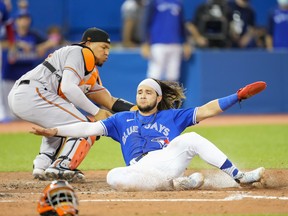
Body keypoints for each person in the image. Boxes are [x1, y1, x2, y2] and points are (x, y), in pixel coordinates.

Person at [31, 78, 267, 191]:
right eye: (139, 92)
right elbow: (87, 128)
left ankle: (239, 176)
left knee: (191, 139)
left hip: (166, 159)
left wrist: (237, 97)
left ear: (158, 98)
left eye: (148, 92)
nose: (142, 95)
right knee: (113, 177)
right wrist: (56, 131)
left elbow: (207, 109)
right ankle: (177, 184)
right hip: (139, 170)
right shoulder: (121, 120)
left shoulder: (172, 116)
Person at [8, 27, 136, 182]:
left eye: (108, 48)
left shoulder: (88, 71)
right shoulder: (80, 52)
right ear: (88, 43)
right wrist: (96, 112)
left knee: (62, 126)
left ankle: (42, 165)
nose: (107, 52)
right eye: (103, 47)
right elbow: (68, 88)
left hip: (29, 93)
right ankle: (62, 166)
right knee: (86, 126)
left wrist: (138, 109)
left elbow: (109, 101)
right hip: (33, 92)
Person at [1, 11, 46, 123]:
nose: (24, 21)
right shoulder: (10, 34)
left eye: (26, 18)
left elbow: (53, 40)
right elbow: (2, 44)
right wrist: (17, 44)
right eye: (21, 18)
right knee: (8, 113)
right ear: (16, 21)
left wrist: (39, 47)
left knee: (23, 112)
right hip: (9, 76)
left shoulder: (33, 35)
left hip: (26, 78)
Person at [141, 0, 192, 81]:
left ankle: (170, 94)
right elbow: (146, 22)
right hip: (158, 43)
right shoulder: (154, 2)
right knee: (155, 75)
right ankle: (151, 93)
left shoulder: (178, 2)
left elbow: (182, 23)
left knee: (173, 76)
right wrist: (145, 43)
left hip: (175, 43)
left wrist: (186, 42)